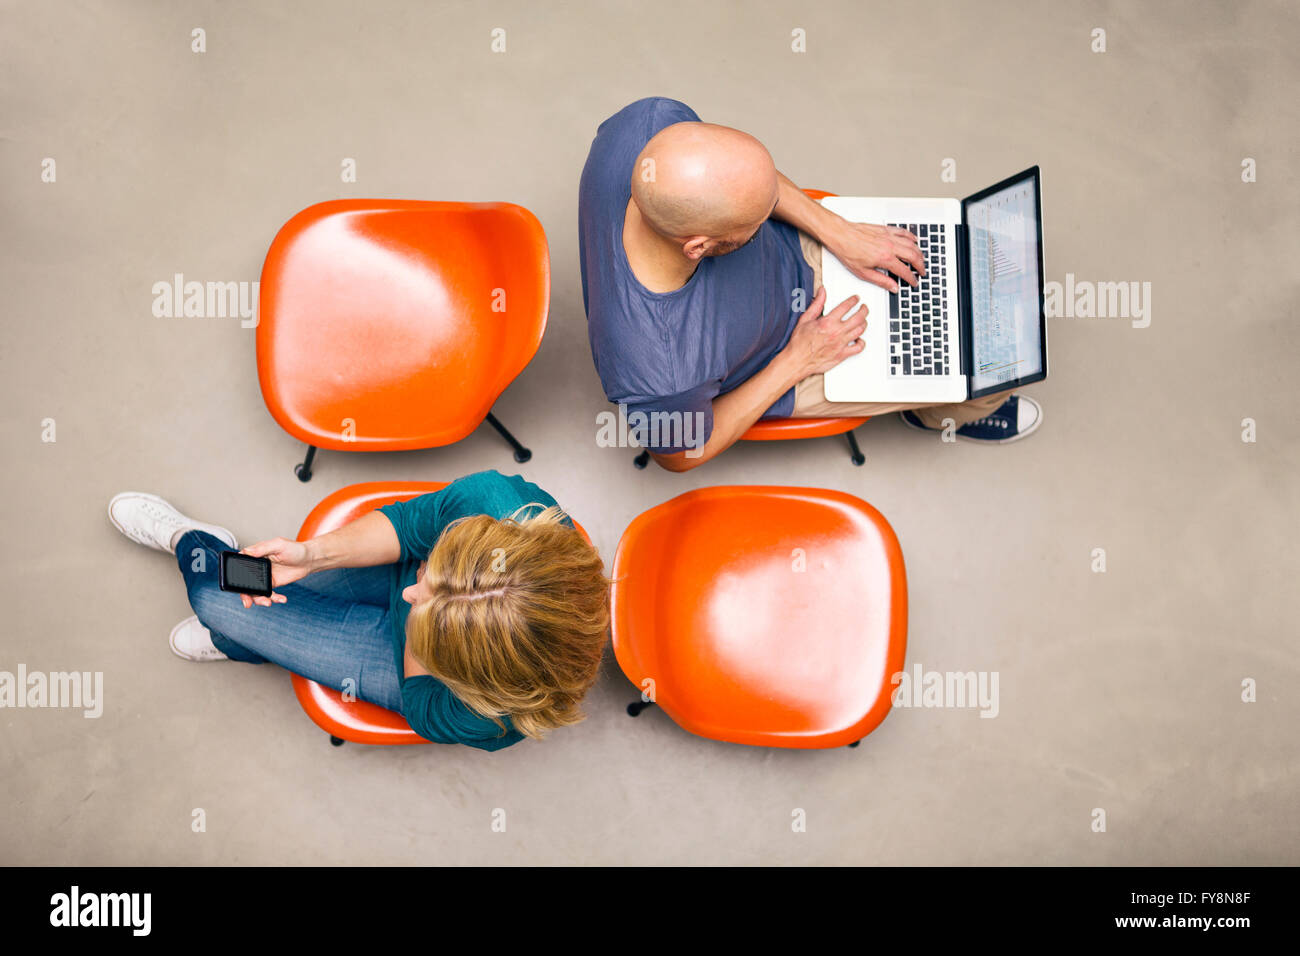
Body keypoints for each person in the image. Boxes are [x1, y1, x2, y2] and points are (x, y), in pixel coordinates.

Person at [578, 96, 1042, 472]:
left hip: (805, 254)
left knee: (964, 266)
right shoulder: (659, 372)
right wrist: (797, 361)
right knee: (987, 366)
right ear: (697, 246)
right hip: (796, 346)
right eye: (754, 224)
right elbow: (679, 456)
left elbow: (744, 176)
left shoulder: (648, 123)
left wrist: (839, 231)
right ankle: (944, 412)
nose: (768, 214)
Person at [107, 471, 610, 751]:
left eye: (427, 611)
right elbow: (412, 525)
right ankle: (229, 617)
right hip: (403, 583)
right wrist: (311, 556)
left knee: (214, 599)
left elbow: (421, 706)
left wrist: (423, 640)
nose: (411, 597)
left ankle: (210, 584)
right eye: (431, 578)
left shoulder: (491, 716)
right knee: (228, 595)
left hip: (407, 664)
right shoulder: (495, 504)